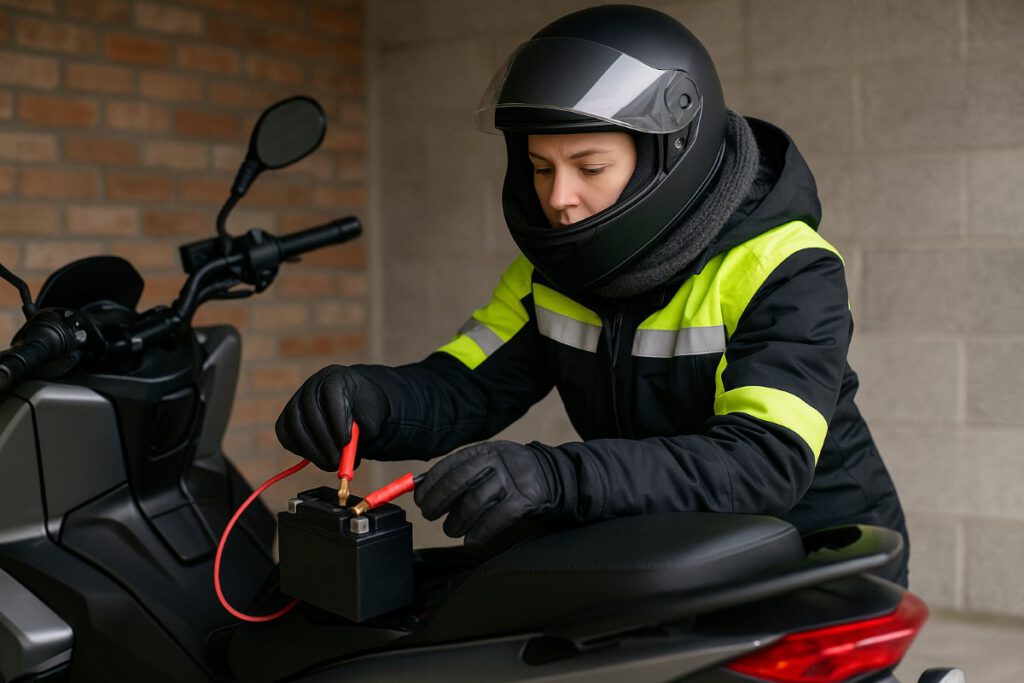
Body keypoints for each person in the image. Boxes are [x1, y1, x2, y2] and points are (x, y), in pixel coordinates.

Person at [276, 4, 909, 585]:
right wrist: (367, 401)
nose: (558, 199)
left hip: (817, 558)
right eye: (541, 167)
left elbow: (763, 462)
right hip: (669, 546)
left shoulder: (787, 267)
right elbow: (467, 387)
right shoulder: (550, 277)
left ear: (671, 151)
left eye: (590, 167)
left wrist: (557, 477)